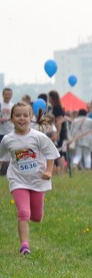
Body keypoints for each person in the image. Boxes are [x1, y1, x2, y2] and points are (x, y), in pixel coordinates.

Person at [0, 102, 60, 254]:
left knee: (37, 216)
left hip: (37, 180)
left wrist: (49, 171)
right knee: (23, 212)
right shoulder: (7, 139)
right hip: (18, 180)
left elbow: (51, 153)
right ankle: (24, 246)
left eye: (25, 115)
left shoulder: (38, 137)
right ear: (11, 118)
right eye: (18, 115)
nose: (22, 118)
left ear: (31, 118)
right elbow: (2, 156)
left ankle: (30, 222)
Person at [0, 87, 14, 176]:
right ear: (3, 95)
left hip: (10, 132)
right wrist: (4, 119)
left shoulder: (13, 106)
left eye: (9, 94)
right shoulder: (0, 105)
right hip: (1, 132)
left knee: (10, 152)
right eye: (6, 94)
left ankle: (9, 172)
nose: (8, 96)